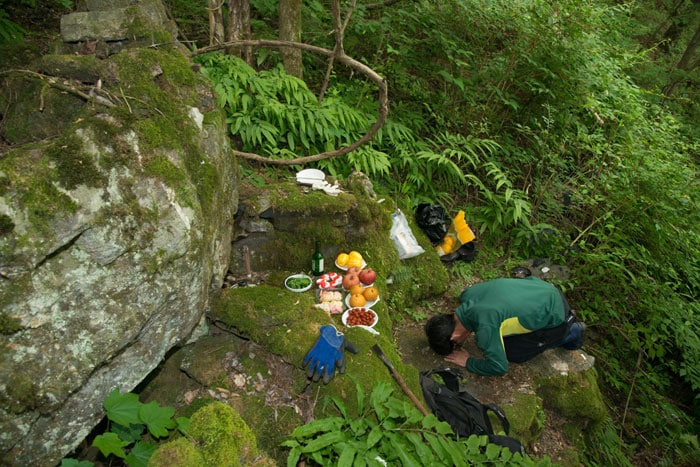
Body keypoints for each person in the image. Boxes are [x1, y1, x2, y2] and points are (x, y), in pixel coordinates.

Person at [424, 276, 585, 376]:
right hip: (541, 289)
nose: (462, 343)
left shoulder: (485, 327)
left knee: (513, 353)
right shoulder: (467, 295)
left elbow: (500, 367)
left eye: (458, 344)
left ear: (454, 337)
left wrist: (468, 362)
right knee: (502, 336)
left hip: (556, 314)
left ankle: (572, 332)